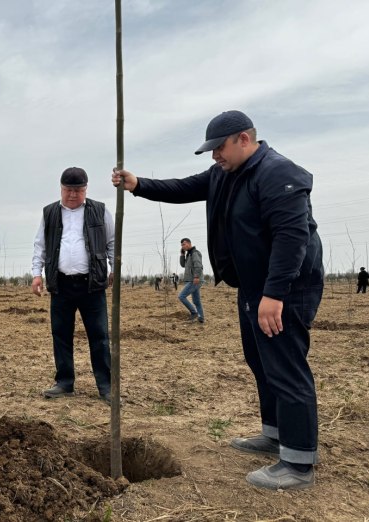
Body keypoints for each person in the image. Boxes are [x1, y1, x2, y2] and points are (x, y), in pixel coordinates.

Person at [112, 110, 324, 490]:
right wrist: (138, 183)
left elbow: (293, 239)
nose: (214, 157)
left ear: (244, 139)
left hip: (285, 287)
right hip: (253, 286)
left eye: (219, 148)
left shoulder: (279, 173)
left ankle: (298, 461)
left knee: (285, 364)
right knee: (260, 360)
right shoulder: (224, 175)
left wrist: (275, 294)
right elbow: (182, 188)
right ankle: (274, 434)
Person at [32, 167, 115, 404]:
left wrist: (114, 268)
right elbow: (40, 246)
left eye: (78, 190)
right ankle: (65, 382)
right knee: (61, 334)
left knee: (99, 336)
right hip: (61, 285)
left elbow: (111, 242)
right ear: (61, 188)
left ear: (86, 189)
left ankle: (106, 386)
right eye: (68, 190)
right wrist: (36, 274)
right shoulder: (50, 213)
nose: (72, 195)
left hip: (92, 285)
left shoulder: (99, 211)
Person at [179, 238, 205, 323]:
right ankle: (201, 318)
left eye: (184, 244)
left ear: (189, 243)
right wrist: (182, 255)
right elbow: (183, 265)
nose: (183, 246)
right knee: (196, 301)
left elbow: (198, 265)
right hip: (192, 279)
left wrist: (196, 277)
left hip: (194, 280)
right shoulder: (188, 254)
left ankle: (194, 312)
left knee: (181, 296)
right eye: (182, 245)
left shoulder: (195, 253)